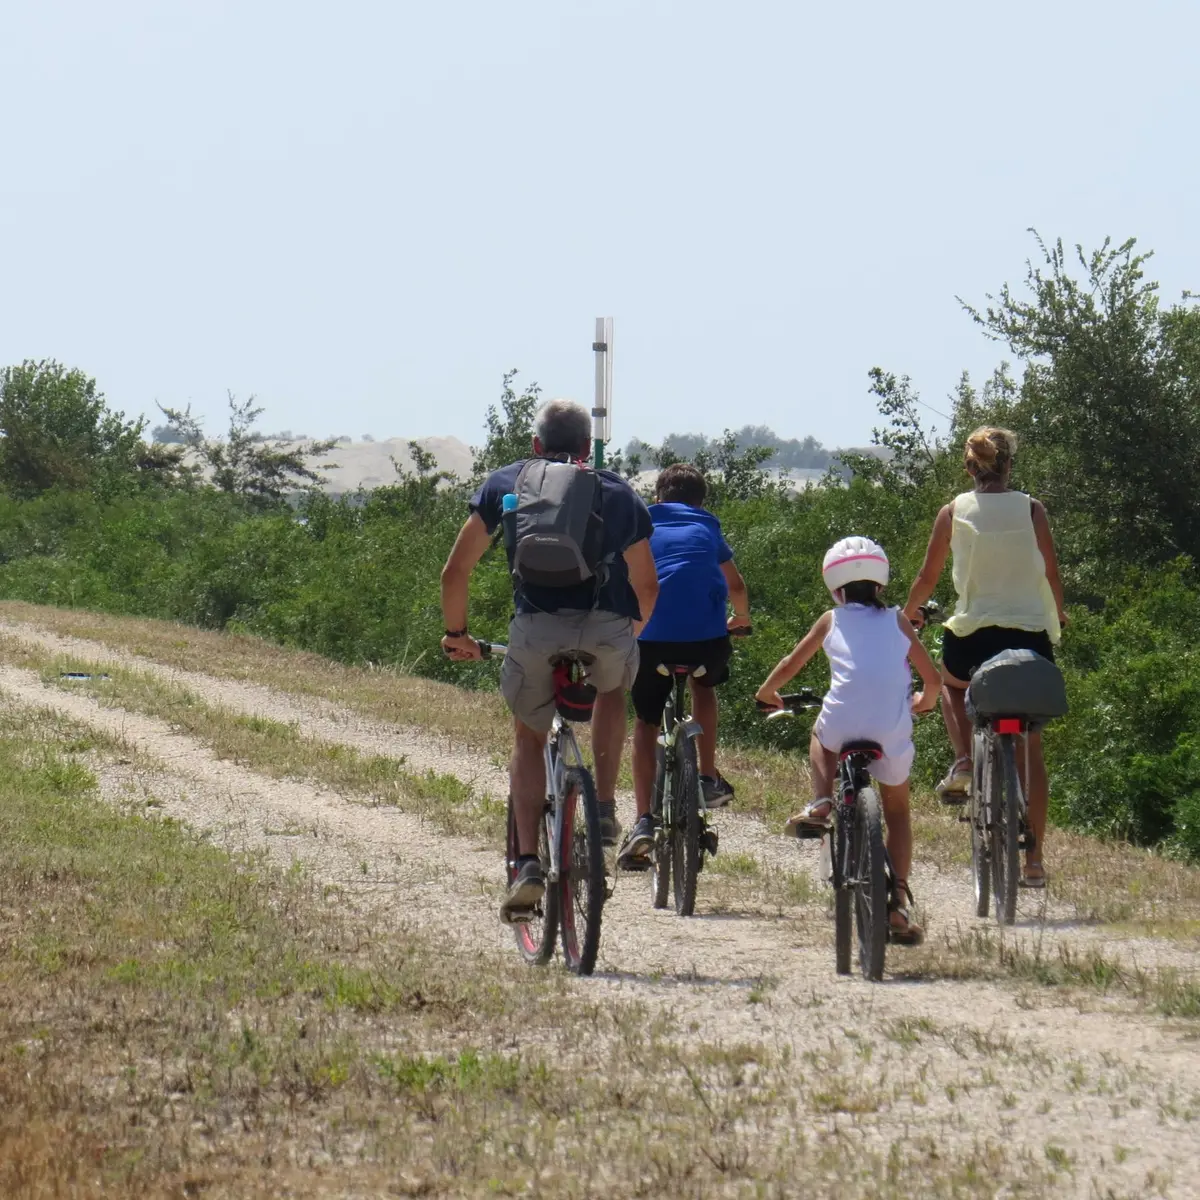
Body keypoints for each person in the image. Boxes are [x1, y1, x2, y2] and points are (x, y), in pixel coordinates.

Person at [440, 399, 659, 922]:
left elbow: (455, 572)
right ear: (589, 447)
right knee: (612, 689)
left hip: (535, 630)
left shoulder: (506, 483)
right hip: (606, 628)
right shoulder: (618, 491)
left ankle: (528, 866)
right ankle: (603, 808)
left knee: (529, 736)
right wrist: (629, 631)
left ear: (536, 445)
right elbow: (647, 585)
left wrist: (457, 634)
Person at [902, 425, 1066, 889]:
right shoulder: (1032, 509)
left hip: (973, 634)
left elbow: (928, 576)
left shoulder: (953, 511)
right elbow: (1051, 571)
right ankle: (1033, 862)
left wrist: (908, 614)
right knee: (1030, 746)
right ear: (1009, 464)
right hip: (1030, 635)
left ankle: (965, 761)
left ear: (970, 467)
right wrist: (1060, 613)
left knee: (950, 686)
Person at [755, 536, 941, 943]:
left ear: (835, 589)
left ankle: (821, 801)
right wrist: (923, 703)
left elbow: (793, 662)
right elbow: (933, 680)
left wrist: (767, 693)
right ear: (880, 584)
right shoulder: (897, 620)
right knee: (898, 813)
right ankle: (898, 898)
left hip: (842, 721)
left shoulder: (831, 619)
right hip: (890, 727)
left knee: (821, 738)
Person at [617, 463, 751, 868]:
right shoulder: (708, 526)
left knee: (645, 722)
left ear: (658, 496)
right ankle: (707, 776)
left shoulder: (642, 524)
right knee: (703, 687)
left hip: (651, 640)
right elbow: (737, 587)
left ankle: (643, 819)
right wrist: (741, 620)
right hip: (705, 642)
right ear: (700, 500)